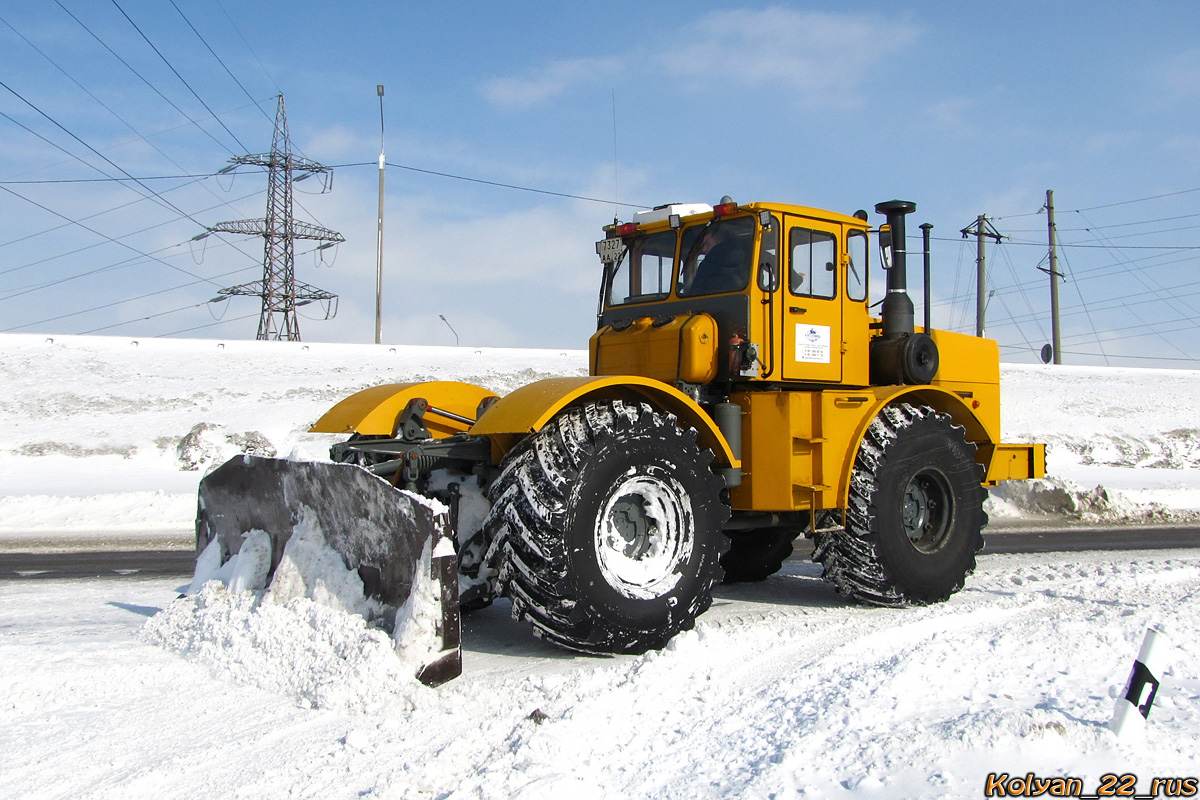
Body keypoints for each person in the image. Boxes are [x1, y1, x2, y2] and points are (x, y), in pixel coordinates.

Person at [679, 223, 751, 295]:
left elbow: (695, 291)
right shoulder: (746, 264)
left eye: (708, 244)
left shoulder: (707, 266)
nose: (704, 249)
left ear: (720, 244)